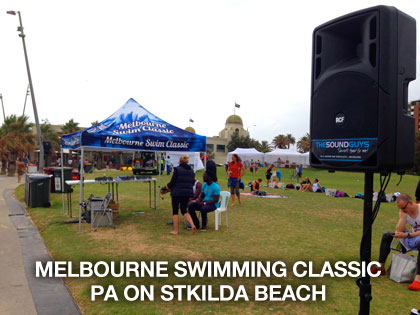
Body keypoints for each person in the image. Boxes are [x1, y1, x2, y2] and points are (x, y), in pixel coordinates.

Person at [371, 194, 420, 291]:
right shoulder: (404, 212)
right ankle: (381, 266)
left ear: (410, 202)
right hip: (414, 237)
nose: (403, 211)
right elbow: (399, 230)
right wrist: (403, 218)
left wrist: (407, 235)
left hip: (414, 237)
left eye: (404, 208)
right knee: (387, 236)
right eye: (401, 209)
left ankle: (418, 279)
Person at [164, 155, 197, 235]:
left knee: (175, 211)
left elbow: (172, 182)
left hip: (176, 193)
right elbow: (192, 182)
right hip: (187, 193)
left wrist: (166, 188)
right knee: (184, 210)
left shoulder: (177, 169)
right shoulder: (191, 171)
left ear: (180, 161)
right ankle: (192, 225)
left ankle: (176, 230)